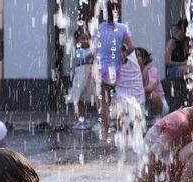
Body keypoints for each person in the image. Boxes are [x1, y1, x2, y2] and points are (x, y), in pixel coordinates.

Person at [93, 0, 135, 141]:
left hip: (101, 70)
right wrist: (122, 55)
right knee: (118, 99)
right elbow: (131, 47)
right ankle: (123, 129)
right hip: (115, 70)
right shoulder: (123, 28)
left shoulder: (98, 28)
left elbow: (95, 51)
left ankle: (106, 132)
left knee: (104, 103)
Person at [70, 28, 96, 130]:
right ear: (76, 41)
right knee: (77, 98)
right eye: (82, 38)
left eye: (87, 38)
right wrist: (94, 53)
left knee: (90, 98)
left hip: (90, 76)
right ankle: (80, 120)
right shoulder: (77, 51)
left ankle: (90, 119)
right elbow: (83, 57)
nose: (85, 41)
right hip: (81, 76)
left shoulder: (92, 49)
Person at [135, 47, 169, 119]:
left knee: (151, 93)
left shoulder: (152, 70)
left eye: (138, 56)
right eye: (134, 56)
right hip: (146, 104)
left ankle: (156, 120)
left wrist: (136, 91)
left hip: (159, 105)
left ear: (144, 59)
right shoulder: (135, 73)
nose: (135, 58)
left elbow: (150, 87)